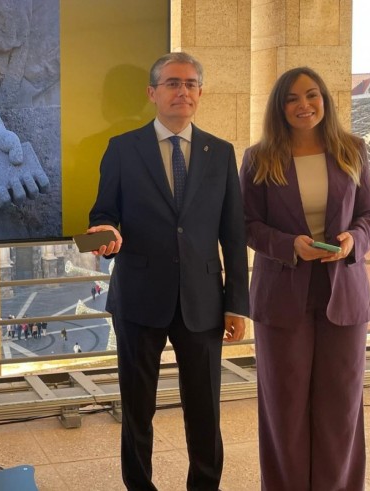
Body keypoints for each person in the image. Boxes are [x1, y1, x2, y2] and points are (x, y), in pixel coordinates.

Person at [87, 52, 249, 490]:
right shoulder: (123, 149)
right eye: (173, 83)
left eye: (192, 84)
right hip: (139, 298)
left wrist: (237, 304)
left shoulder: (221, 153)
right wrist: (103, 230)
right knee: (137, 410)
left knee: (205, 410)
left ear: (200, 93)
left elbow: (233, 236)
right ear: (152, 92)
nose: (183, 91)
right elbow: (103, 213)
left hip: (203, 303)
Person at [240, 67, 370, 490]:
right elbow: (246, 224)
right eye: (293, 99)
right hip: (282, 295)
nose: (304, 105)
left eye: (312, 95)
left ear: (325, 100)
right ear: (279, 107)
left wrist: (354, 240)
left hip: (345, 294)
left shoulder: (352, 150)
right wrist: (289, 246)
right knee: (285, 408)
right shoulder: (259, 157)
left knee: (341, 409)